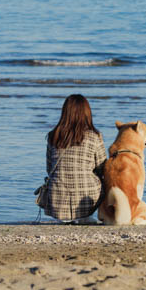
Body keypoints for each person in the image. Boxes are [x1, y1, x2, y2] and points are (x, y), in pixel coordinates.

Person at [43, 94, 107, 223]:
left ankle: (65, 217)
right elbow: (102, 168)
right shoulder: (94, 136)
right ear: (87, 113)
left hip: (57, 200)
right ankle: (86, 216)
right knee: (106, 179)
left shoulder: (53, 135)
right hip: (87, 200)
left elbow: (49, 168)